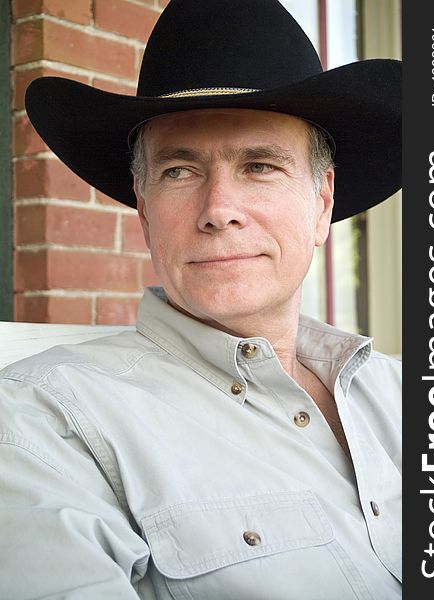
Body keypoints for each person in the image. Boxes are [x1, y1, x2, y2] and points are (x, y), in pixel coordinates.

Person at [0, 0, 402, 598]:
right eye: (179, 171)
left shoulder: (410, 395)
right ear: (142, 204)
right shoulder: (45, 423)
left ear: (321, 202)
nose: (218, 211)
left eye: (260, 165)